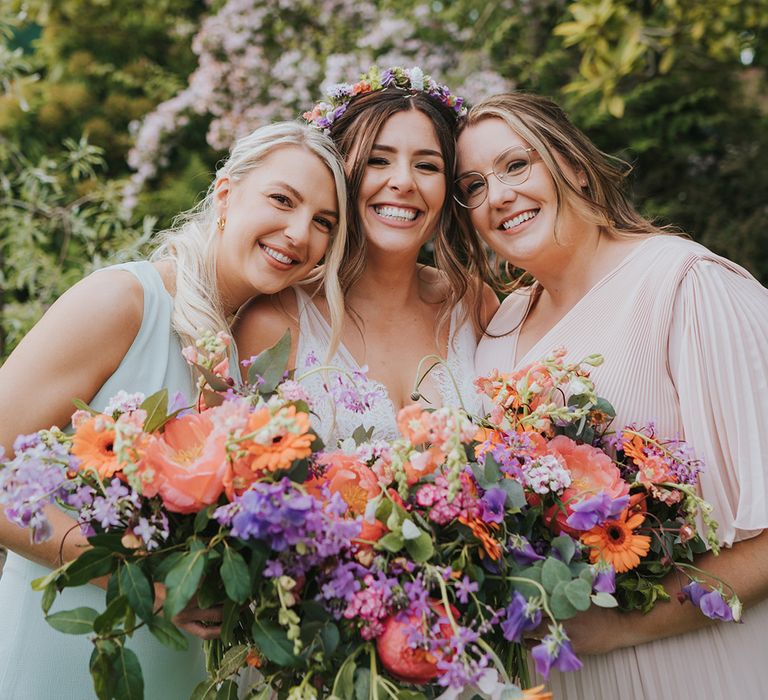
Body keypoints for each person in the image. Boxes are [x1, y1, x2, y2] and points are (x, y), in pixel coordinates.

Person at [0, 121, 348, 698]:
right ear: (226, 193)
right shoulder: (124, 302)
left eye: (323, 222)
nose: (298, 232)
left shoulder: (256, 362)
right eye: (282, 200)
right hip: (68, 653)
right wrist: (146, 580)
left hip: (187, 670)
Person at [459, 92, 768, 699]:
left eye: (516, 165)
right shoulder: (497, 329)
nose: (496, 196)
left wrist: (614, 627)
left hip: (694, 669)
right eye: (472, 186)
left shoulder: (683, 284)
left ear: (573, 164)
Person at [236, 67, 497, 447]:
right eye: (378, 160)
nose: (404, 182)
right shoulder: (272, 323)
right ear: (341, 175)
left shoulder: (473, 303)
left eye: (427, 166)